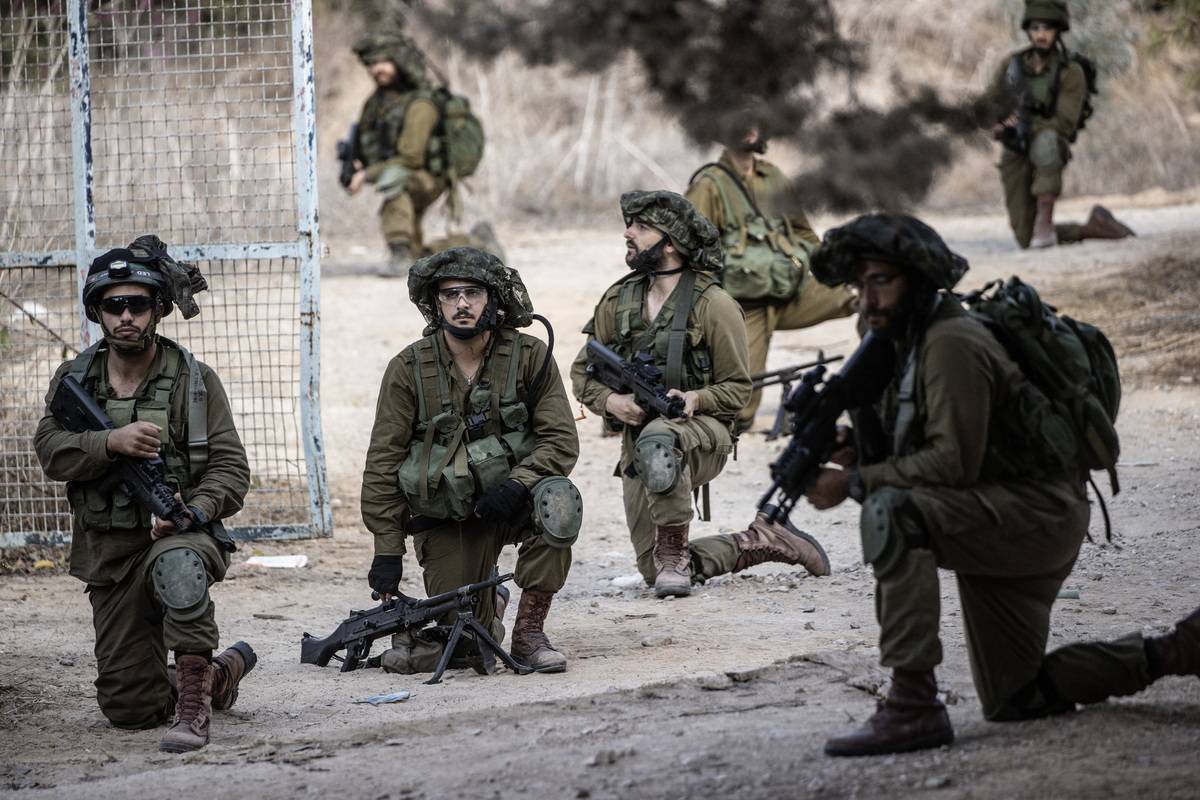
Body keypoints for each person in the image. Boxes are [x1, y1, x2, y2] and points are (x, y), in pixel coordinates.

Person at [799, 212, 1199, 757]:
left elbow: (950, 464)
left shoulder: (950, 343)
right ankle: (1179, 652)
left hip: (1037, 515)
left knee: (892, 510)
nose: (868, 300)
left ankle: (912, 707)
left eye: (881, 281)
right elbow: (928, 440)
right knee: (1018, 696)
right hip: (998, 511)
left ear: (916, 281)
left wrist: (851, 484)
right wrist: (852, 445)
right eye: (860, 285)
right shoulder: (903, 340)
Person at [34, 236, 255, 754]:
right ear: (98, 312)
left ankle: (195, 711)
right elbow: (50, 449)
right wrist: (109, 442)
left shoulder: (193, 382)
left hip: (179, 534)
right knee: (128, 710)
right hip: (110, 555)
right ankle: (218, 676)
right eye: (114, 305)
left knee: (178, 564)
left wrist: (192, 512)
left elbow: (231, 468)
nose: (126, 316)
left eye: (138, 304)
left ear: (158, 310)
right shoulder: (76, 379)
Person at [570, 191, 831, 600]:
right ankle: (764, 539)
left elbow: (738, 389)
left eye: (641, 227)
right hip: (639, 445)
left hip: (702, 435)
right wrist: (610, 402)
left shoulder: (714, 305)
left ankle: (674, 552)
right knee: (653, 573)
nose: (628, 233)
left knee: (661, 438)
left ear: (670, 242)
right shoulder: (618, 301)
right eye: (629, 225)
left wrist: (696, 399)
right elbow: (582, 372)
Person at [360, 247, 581, 673]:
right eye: (449, 294)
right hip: (447, 516)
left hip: (515, 504)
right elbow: (383, 462)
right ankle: (490, 601)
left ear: (493, 299)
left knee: (560, 500)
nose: (462, 304)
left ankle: (529, 634)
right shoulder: (407, 369)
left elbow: (560, 440)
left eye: (473, 293)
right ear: (435, 303)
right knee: (466, 649)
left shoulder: (530, 356)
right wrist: (386, 549)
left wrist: (518, 484)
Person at [685, 123, 856, 433]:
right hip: (745, 305)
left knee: (861, 293)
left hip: (792, 290)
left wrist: (827, 267)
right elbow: (693, 253)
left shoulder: (773, 177)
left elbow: (802, 230)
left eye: (756, 122)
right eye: (741, 122)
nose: (750, 129)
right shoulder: (709, 186)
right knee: (738, 411)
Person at [984, 0, 1135, 249]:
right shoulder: (1012, 65)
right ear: (1027, 30)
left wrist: (1026, 125)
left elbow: (1064, 123)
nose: (1040, 35)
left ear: (1057, 31)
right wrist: (998, 122)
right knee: (1023, 238)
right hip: (1015, 145)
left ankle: (1046, 223)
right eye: (1035, 28)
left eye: (1046, 28)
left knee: (1047, 143)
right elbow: (991, 103)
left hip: (1047, 141)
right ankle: (1093, 228)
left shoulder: (1070, 71)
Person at [346, 32, 446, 277]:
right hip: (404, 172)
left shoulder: (420, 104)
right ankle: (478, 244)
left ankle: (399, 254)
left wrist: (367, 175)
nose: (375, 69)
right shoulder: (377, 103)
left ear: (399, 62)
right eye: (370, 64)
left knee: (394, 183)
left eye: (382, 62)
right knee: (422, 257)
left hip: (427, 177)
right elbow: (368, 140)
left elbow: (411, 158)